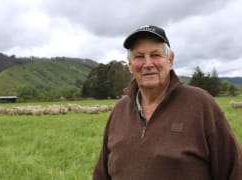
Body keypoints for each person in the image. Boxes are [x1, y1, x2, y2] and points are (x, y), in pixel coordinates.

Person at [93, 25, 242, 180]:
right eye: (139, 56)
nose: (148, 63)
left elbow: (234, 170)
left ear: (170, 60)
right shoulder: (119, 110)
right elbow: (101, 174)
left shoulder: (201, 105)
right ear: (130, 65)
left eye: (155, 55)